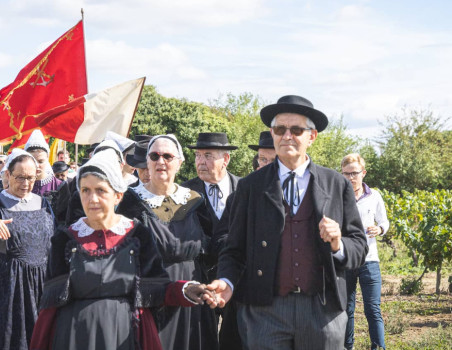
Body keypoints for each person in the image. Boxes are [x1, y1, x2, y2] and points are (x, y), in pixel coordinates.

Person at [205, 95, 368, 350]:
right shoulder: (250, 187)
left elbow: (359, 245)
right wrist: (227, 280)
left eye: (296, 130)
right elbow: (233, 248)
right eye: (280, 129)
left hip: (322, 310)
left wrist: (338, 244)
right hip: (265, 311)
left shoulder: (336, 184)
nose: (287, 136)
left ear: (311, 136)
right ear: (272, 134)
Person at [30, 149, 210, 349]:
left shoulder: (136, 235)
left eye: (101, 190)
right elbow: (50, 303)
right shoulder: (65, 239)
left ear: (118, 196)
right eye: (85, 190)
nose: (92, 199)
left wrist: (184, 289)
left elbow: (157, 287)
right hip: (75, 336)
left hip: (125, 333)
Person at [117, 134, 218, 350]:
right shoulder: (129, 202)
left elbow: (212, 249)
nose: (160, 161)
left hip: (193, 295)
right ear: (147, 162)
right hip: (150, 296)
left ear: (179, 163)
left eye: (167, 156)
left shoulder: (195, 200)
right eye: (154, 156)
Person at [0, 149, 55, 350]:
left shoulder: (42, 203)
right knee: (5, 334)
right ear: (7, 175)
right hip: (5, 279)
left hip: (38, 282)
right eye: (20, 177)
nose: (25, 184)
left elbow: (53, 238)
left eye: (30, 178)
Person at [183, 132, 241, 349]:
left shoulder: (244, 189)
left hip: (236, 284)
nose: (200, 162)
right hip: (200, 281)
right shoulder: (184, 193)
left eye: (207, 155)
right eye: (198, 155)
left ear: (225, 159)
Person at [341, 153, 389, 350]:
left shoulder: (374, 195)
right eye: (346, 174)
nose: (350, 178)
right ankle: (347, 347)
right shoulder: (339, 195)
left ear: (363, 173)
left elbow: (384, 221)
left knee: (373, 308)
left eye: (354, 173)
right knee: (347, 309)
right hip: (347, 259)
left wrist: (380, 229)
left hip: (370, 260)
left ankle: (378, 347)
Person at [24, 129, 70, 225]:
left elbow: (65, 220)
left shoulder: (60, 186)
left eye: (40, 161)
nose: (37, 165)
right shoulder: (19, 185)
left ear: (47, 159)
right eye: (33, 161)